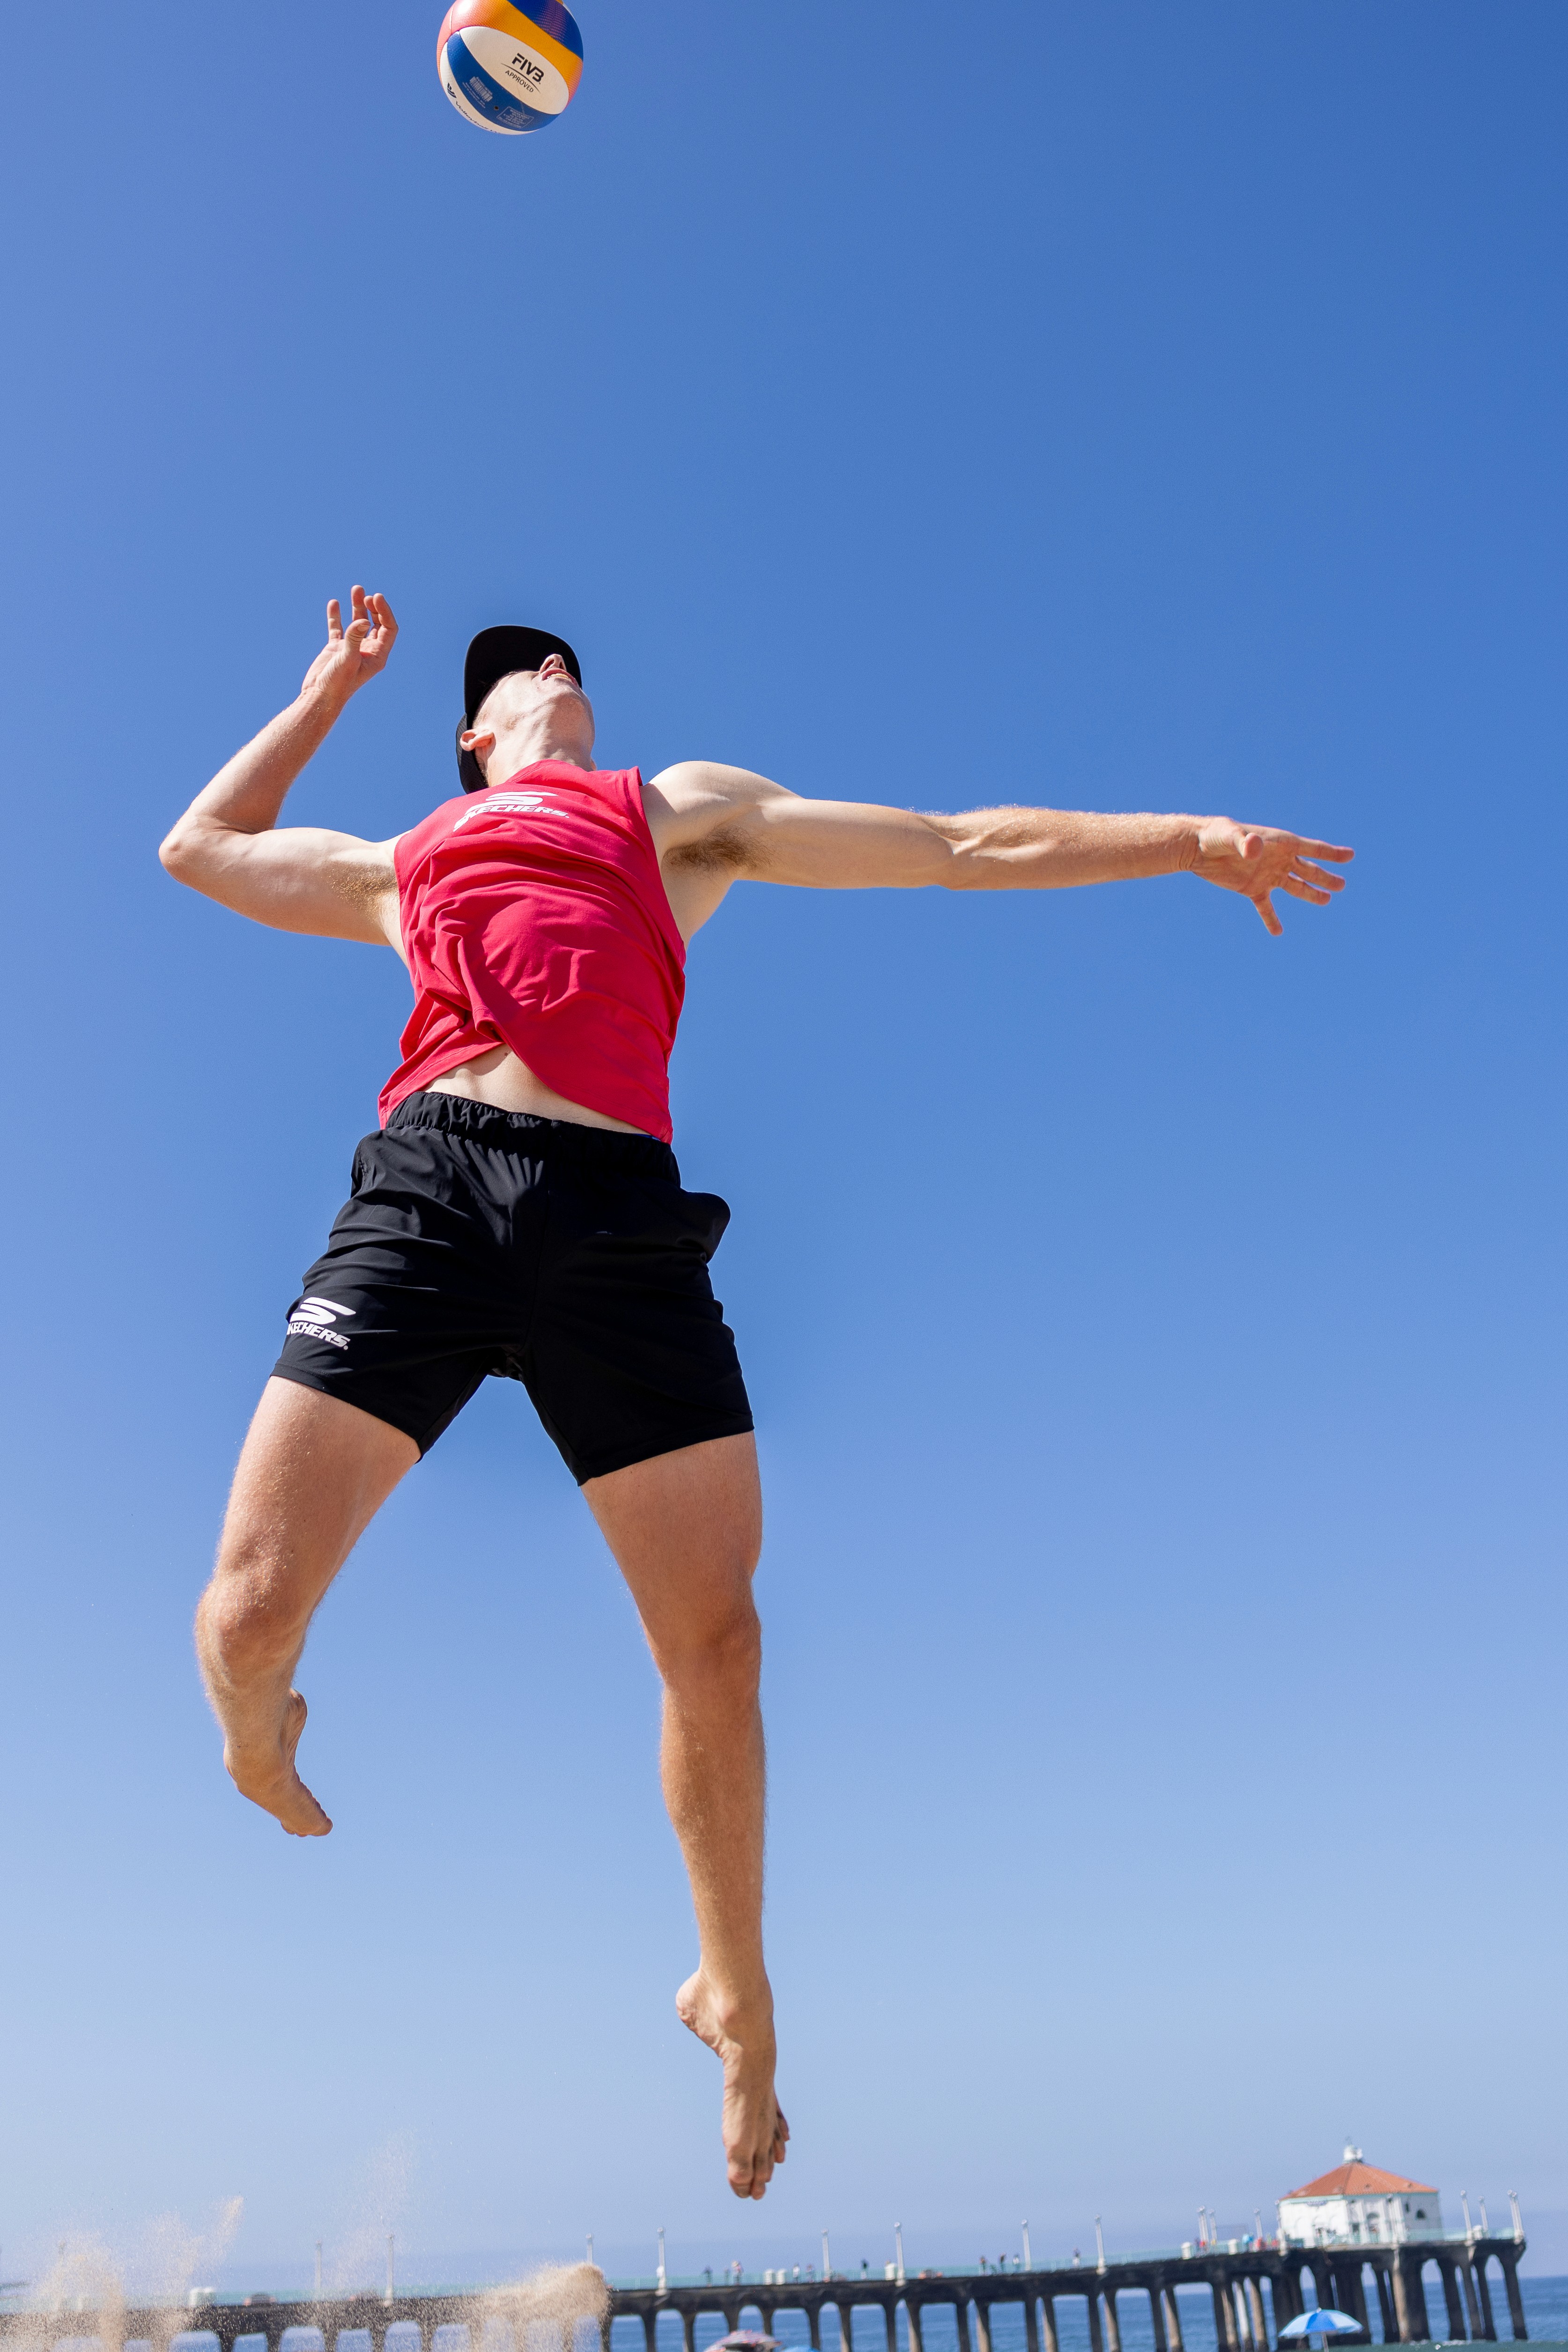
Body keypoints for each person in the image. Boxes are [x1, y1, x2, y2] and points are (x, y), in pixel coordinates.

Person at [158, 586, 1353, 2204]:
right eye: (515, 672)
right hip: (429, 1192)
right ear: (471, 732)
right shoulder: (408, 858)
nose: (551, 670)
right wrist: (321, 688)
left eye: (565, 658)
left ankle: (736, 1991)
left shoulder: (677, 813)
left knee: (717, 1645)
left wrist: (1190, 836)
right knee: (241, 1619)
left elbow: (952, 843)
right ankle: (255, 1744)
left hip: (620, 1229)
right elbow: (201, 848)